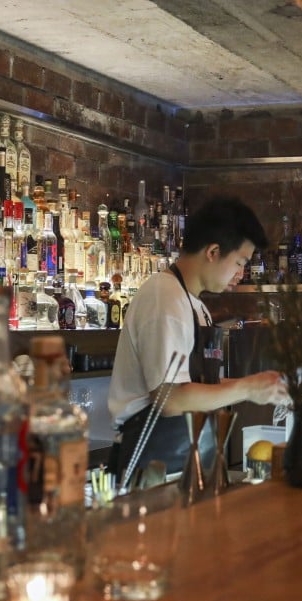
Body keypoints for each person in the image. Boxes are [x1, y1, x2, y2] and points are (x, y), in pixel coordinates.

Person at [108, 195, 288, 483]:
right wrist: (247, 389)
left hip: (186, 463)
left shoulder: (194, 304)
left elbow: (200, 386)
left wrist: (264, 385)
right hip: (153, 469)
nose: (242, 274)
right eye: (240, 262)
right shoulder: (164, 297)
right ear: (214, 251)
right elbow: (169, 399)